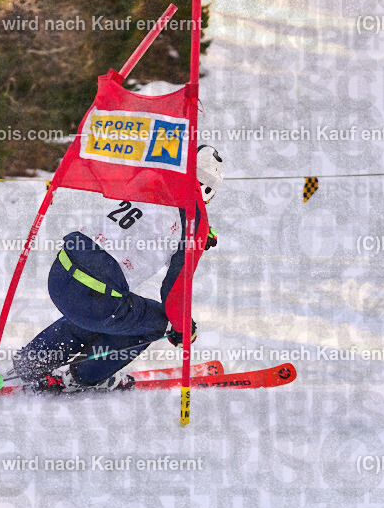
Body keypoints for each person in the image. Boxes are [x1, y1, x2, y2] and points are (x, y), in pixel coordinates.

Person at [13, 145, 225, 392]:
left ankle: (31, 362)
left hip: (61, 273)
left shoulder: (150, 179)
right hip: (96, 296)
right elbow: (176, 291)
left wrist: (193, 238)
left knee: (95, 312)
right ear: (207, 188)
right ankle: (83, 376)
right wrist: (182, 329)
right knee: (156, 322)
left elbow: (147, 221)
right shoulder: (194, 220)